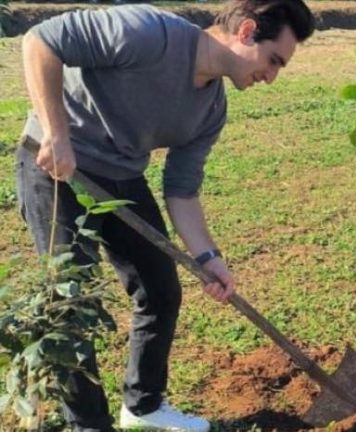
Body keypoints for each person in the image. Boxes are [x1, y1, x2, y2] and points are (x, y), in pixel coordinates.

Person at [16, 0, 314, 430]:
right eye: (273, 61)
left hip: (120, 178)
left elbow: (182, 190)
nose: (271, 77)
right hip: (56, 169)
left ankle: (143, 406)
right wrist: (57, 133)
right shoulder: (148, 33)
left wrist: (209, 257)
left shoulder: (211, 110)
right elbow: (41, 41)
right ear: (247, 31)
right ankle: (87, 424)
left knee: (160, 290)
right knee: (71, 302)